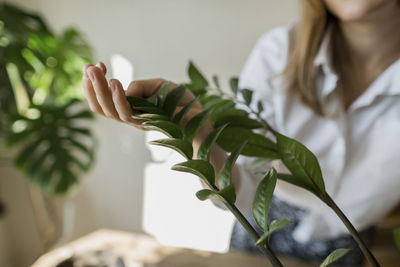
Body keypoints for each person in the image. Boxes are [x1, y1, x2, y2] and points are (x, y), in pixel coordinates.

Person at [82, 0, 400, 265]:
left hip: (352, 246)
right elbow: (245, 191)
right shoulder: (279, 54)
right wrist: (196, 133)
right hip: (260, 232)